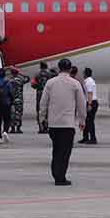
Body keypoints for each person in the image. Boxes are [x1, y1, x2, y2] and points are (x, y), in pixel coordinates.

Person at [40, 58, 85, 186]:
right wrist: (82, 120)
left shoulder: (50, 83)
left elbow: (43, 103)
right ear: (70, 68)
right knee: (65, 152)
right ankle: (60, 177)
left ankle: (56, 173)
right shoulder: (75, 83)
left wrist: (42, 118)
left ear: (59, 68)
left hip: (53, 124)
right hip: (67, 124)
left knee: (56, 149)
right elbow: (81, 104)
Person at [79, 68, 98, 144]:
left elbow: (90, 93)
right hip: (90, 101)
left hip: (91, 102)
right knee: (87, 121)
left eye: (83, 73)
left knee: (90, 121)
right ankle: (85, 137)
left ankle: (93, 138)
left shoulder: (89, 81)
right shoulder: (88, 81)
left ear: (85, 74)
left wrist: (89, 104)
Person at [32, 62, 52, 134]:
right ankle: (47, 127)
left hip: (39, 94)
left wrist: (38, 86)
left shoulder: (37, 74)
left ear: (40, 67)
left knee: (39, 110)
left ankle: (41, 128)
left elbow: (33, 85)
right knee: (47, 110)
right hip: (48, 94)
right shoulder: (49, 74)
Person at [9, 67, 30, 133]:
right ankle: (18, 128)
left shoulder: (10, 80)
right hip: (19, 99)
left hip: (12, 99)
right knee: (19, 113)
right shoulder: (21, 80)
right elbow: (28, 78)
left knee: (12, 114)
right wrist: (20, 74)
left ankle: (12, 128)